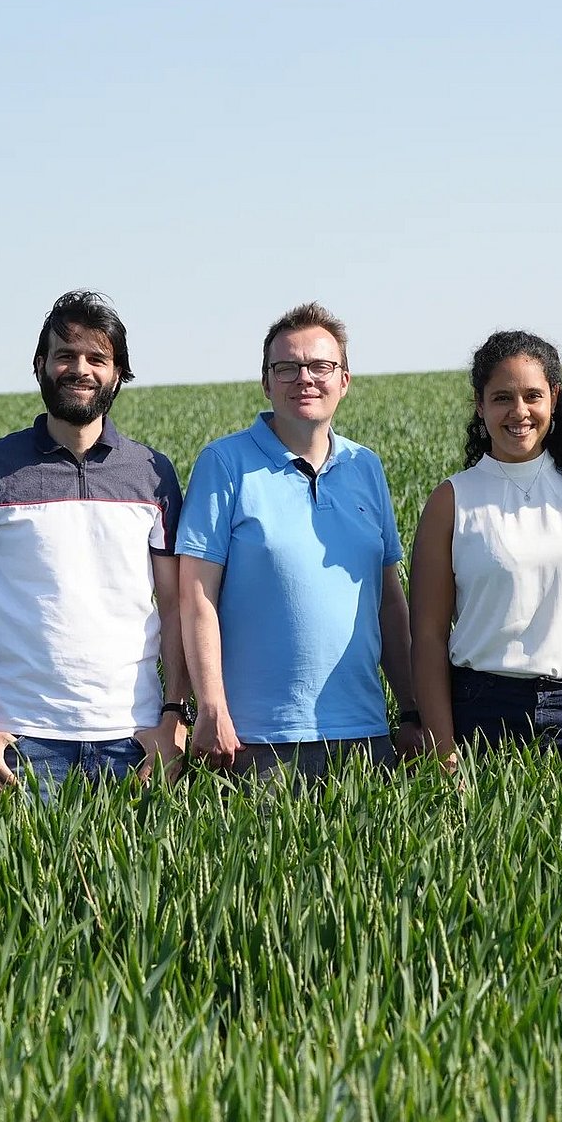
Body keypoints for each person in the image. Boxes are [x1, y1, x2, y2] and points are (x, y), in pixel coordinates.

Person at [0, 291, 190, 801]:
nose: (81, 369)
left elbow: (177, 602)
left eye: (97, 358)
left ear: (118, 373)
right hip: (18, 744)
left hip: (134, 739)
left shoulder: (153, 474)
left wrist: (175, 721)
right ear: (40, 365)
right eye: (65, 355)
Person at [176, 302, 416, 781]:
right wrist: (211, 708)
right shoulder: (225, 465)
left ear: (344, 380)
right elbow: (195, 597)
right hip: (256, 741)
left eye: (320, 366)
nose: (304, 378)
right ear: (266, 382)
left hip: (364, 735)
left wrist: (410, 710)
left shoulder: (365, 467)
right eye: (286, 368)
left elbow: (388, 601)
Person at [406, 331, 562, 769]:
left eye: (532, 396)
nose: (519, 411)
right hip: (479, 712)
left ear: (553, 399)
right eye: (502, 398)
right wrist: (443, 750)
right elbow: (427, 634)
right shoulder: (452, 501)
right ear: (480, 407)